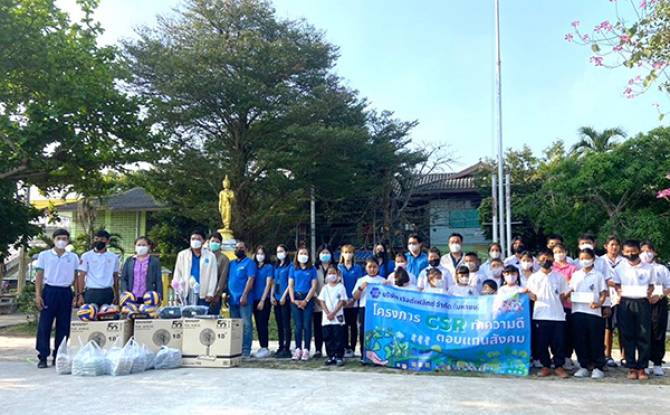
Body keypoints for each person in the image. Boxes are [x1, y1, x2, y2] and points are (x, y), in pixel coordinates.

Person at [34, 229, 79, 369]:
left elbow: (76, 277)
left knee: (64, 326)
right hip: (49, 291)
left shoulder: (73, 257)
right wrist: (38, 295)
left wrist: (77, 295)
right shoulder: (44, 255)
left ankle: (59, 355)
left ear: (68, 241)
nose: (61, 241)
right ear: (53, 239)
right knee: (45, 325)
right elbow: (39, 276)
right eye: (59, 238)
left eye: (64, 238)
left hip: (65, 291)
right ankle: (42, 356)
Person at [613, 240, 655, 380]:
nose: (630, 254)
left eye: (633, 251)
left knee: (644, 334)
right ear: (623, 252)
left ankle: (642, 367)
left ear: (639, 251)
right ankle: (631, 367)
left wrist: (650, 292)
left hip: (643, 302)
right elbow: (616, 284)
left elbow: (652, 285)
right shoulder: (620, 268)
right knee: (627, 334)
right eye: (627, 252)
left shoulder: (648, 268)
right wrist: (619, 291)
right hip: (626, 302)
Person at [526, 249, 571, 378]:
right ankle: (545, 366)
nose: (546, 261)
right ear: (538, 261)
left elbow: (563, 295)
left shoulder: (559, 277)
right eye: (543, 259)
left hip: (557, 315)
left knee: (559, 343)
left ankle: (559, 366)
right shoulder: (534, 278)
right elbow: (531, 295)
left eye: (548, 258)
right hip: (541, 314)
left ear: (552, 259)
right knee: (542, 343)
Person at [570, 248, 608, 379]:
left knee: (595, 340)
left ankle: (598, 367)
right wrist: (567, 296)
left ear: (593, 259)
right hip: (577, 311)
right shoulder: (576, 275)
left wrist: (599, 304)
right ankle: (584, 366)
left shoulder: (598, 275)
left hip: (593, 312)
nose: (584, 261)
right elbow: (571, 290)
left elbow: (603, 293)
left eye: (587, 258)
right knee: (580, 340)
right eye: (581, 258)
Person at [641, 241, 669, 377]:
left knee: (658, 332)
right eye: (643, 251)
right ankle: (644, 362)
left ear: (654, 252)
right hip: (642, 302)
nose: (646, 254)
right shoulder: (638, 269)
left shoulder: (661, 269)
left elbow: (668, 286)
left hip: (658, 303)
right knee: (643, 332)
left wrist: (660, 295)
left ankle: (657, 363)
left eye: (649, 251)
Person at [172, 230, 218, 310]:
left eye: (198, 239)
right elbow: (177, 273)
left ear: (203, 241)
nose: (195, 241)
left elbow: (213, 276)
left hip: (203, 294)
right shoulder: (182, 255)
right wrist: (177, 292)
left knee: (202, 315)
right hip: (186, 292)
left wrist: (210, 293)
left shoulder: (210, 256)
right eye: (193, 239)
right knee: (187, 315)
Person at [352, 258, 386, 364]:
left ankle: (378, 355)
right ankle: (364, 355)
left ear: (378, 267)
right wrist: (361, 288)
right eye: (370, 267)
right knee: (364, 332)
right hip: (365, 308)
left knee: (378, 332)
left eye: (374, 267)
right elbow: (355, 296)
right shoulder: (361, 280)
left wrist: (388, 286)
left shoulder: (382, 280)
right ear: (366, 268)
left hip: (379, 310)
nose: (372, 269)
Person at [227, 241, 257, 358]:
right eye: (236, 247)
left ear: (246, 250)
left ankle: (246, 350)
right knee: (235, 325)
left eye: (241, 248)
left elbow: (251, 279)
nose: (238, 249)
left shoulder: (249, 263)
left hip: (245, 299)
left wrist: (244, 295)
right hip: (232, 299)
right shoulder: (231, 264)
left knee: (246, 325)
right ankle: (236, 348)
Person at [77, 230, 121, 307]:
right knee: (91, 313)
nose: (99, 241)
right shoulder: (86, 256)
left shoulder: (114, 257)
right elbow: (81, 276)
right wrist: (80, 295)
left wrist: (117, 295)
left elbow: (115, 277)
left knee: (107, 313)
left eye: (102, 239)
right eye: (96, 239)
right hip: (91, 292)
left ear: (107, 241)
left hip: (107, 292)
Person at [289, 246, 318, 361]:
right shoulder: (293, 268)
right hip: (296, 298)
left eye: (305, 253)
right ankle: (297, 348)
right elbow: (291, 285)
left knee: (307, 325)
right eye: (301, 253)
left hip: (307, 298)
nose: (303, 256)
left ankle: (306, 349)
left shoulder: (312, 269)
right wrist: (293, 300)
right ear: (297, 255)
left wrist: (306, 300)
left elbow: (314, 286)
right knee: (298, 325)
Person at [552, 243, 578, 369]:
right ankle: (556, 356)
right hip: (554, 306)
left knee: (568, 332)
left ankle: (567, 357)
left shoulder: (572, 268)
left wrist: (565, 294)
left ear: (565, 252)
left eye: (561, 251)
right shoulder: (551, 268)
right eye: (556, 252)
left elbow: (573, 285)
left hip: (568, 305)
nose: (559, 254)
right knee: (556, 333)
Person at [317, 265, 348, 366]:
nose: (332, 275)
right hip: (327, 319)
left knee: (338, 337)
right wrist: (327, 313)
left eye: (334, 273)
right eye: (329, 273)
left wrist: (333, 313)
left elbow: (342, 301)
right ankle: (331, 356)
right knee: (328, 337)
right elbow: (321, 301)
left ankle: (339, 356)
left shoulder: (341, 287)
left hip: (338, 318)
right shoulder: (325, 288)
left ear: (337, 274)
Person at [601, 235, 624, 367]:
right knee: (608, 327)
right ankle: (607, 355)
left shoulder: (624, 261)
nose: (614, 247)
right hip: (607, 297)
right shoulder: (601, 261)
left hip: (622, 296)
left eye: (616, 245)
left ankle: (624, 356)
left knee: (623, 327)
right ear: (606, 246)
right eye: (612, 244)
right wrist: (612, 283)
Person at [338, 244, 364, 358]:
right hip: (342, 302)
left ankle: (353, 348)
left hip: (354, 301)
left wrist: (353, 299)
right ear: (342, 254)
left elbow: (359, 284)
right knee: (343, 325)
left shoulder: (357, 268)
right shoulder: (339, 268)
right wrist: (343, 300)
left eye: (350, 252)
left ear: (353, 254)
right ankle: (345, 347)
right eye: (345, 252)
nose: (348, 255)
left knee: (353, 325)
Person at [120, 236, 162, 301]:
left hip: (149, 298)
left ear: (149, 246)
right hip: (131, 297)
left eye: (144, 245)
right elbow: (124, 279)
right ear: (135, 246)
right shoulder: (129, 260)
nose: (141, 247)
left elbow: (158, 280)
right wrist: (125, 292)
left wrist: (159, 296)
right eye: (139, 245)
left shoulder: (154, 261)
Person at [252, 245, 274, 359]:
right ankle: (261, 346)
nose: (260, 256)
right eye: (258, 253)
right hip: (253, 298)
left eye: (262, 254)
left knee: (263, 323)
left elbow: (268, 284)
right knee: (257, 323)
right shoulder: (254, 266)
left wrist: (262, 300)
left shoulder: (269, 267)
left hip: (264, 299)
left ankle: (265, 347)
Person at [271, 244, 292, 358]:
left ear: (286, 252)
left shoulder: (290, 266)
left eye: (282, 251)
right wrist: (272, 296)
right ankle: (280, 346)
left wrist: (284, 296)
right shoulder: (276, 266)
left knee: (286, 324)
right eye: (278, 251)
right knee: (279, 324)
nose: (280, 253)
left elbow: (290, 283)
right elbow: (273, 282)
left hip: (285, 298)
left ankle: (286, 348)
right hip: (276, 298)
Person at [312, 244, 333, 358]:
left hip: (332, 305)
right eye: (323, 253)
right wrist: (317, 299)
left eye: (327, 253)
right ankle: (318, 349)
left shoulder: (336, 269)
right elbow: (312, 285)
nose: (325, 255)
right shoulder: (314, 269)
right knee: (318, 327)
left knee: (330, 328)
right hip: (318, 303)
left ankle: (331, 350)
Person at [208, 232, 230, 317]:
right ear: (208, 242)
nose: (214, 243)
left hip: (214, 296)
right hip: (201, 294)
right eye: (212, 241)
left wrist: (217, 294)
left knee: (213, 319)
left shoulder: (224, 259)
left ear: (220, 244)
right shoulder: (203, 256)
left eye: (217, 242)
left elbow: (223, 278)